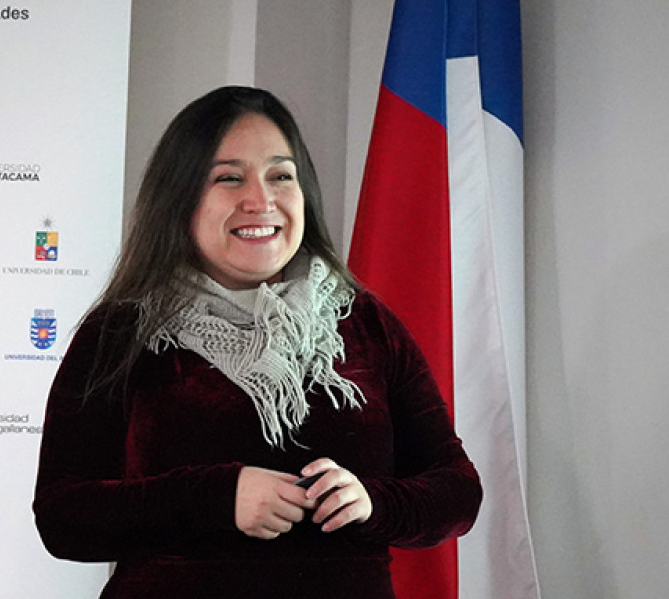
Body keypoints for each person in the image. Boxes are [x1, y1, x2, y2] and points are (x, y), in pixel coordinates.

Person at [33, 86, 482, 598]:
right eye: (229, 178)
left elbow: (458, 492)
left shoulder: (367, 324)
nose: (260, 200)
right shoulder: (119, 333)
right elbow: (63, 516)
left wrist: (374, 502)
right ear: (179, 197)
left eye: (280, 176)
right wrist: (216, 498)